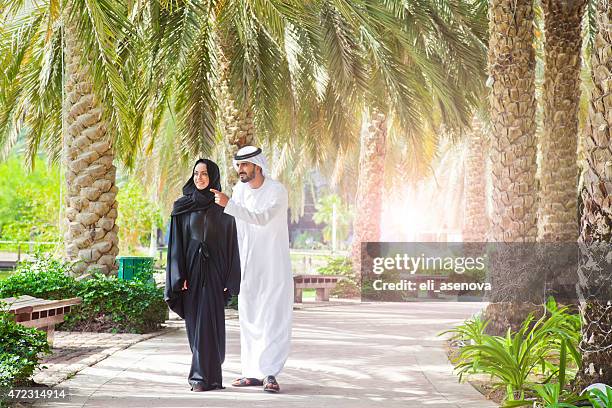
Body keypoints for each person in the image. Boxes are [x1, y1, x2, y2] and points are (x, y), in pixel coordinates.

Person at [211, 146, 293, 393]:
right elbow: (234, 223)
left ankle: (269, 373)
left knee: (272, 318)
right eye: (238, 166)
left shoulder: (276, 191)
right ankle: (251, 373)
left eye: (245, 165)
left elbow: (262, 217)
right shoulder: (239, 191)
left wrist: (229, 205)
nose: (240, 170)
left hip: (273, 265)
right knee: (249, 317)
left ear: (258, 165)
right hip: (247, 265)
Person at [164, 159, 241, 392]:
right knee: (196, 325)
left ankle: (202, 378)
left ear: (213, 176)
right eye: (196, 173)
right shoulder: (182, 207)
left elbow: (231, 244)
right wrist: (179, 275)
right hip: (191, 275)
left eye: (204, 173)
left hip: (215, 274)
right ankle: (210, 377)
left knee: (210, 324)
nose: (199, 178)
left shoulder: (224, 207)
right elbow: (176, 244)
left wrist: (230, 278)